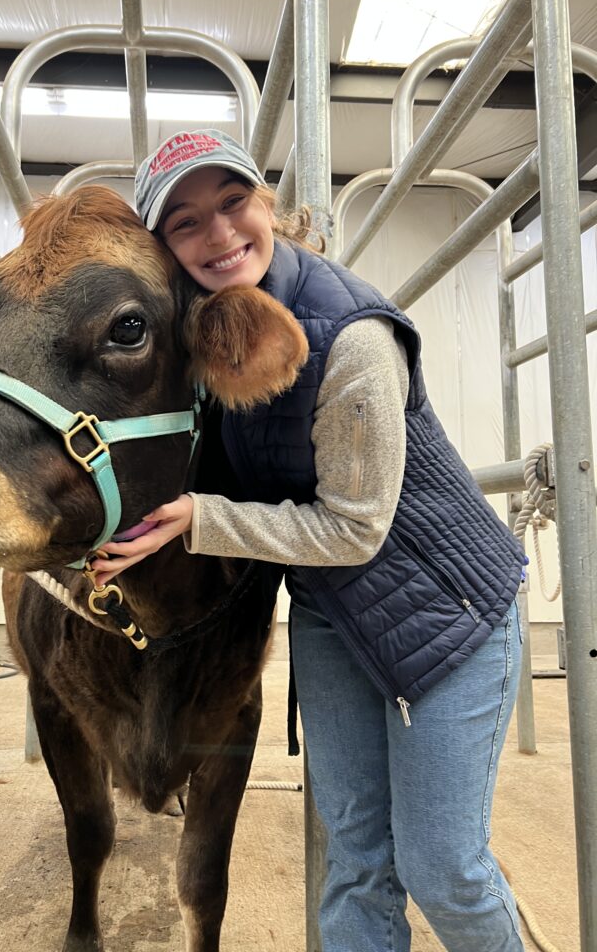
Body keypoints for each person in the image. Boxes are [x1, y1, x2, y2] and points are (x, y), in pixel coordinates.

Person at [91, 129, 527, 952]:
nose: (218, 236)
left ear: (269, 207)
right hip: (332, 612)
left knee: (443, 865)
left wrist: (200, 519)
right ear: (163, 248)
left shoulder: (352, 339)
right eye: (185, 223)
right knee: (356, 858)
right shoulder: (199, 332)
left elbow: (355, 527)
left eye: (232, 203)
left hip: (449, 617)